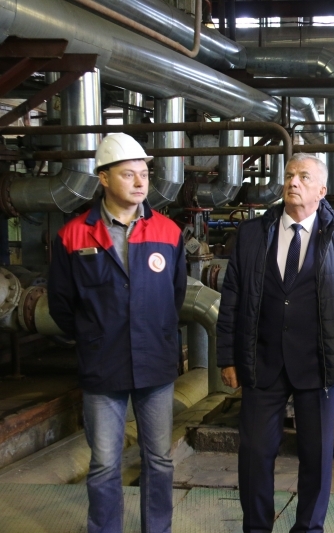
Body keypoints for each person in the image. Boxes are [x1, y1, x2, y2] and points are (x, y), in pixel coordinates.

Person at [217, 153, 334, 533]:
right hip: (262, 361)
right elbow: (232, 298)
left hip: (320, 364)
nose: (293, 182)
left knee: (316, 456)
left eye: (304, 177)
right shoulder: (253, 234)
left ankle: (308, 528)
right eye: (289, 175)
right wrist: (227, 356)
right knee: (255, 453)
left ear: (322, 190)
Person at [48, 133, 187, 533]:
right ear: (104, 179)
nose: (140, 182)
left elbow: (175, 295)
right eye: (129, 174)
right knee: (105, 462)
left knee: (158, 459)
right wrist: (93, 335)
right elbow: (61, 303)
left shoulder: (168, 232)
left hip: (155, 363)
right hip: (102, 364)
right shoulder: (73, 235)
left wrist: (154, 331)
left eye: (144, 174)